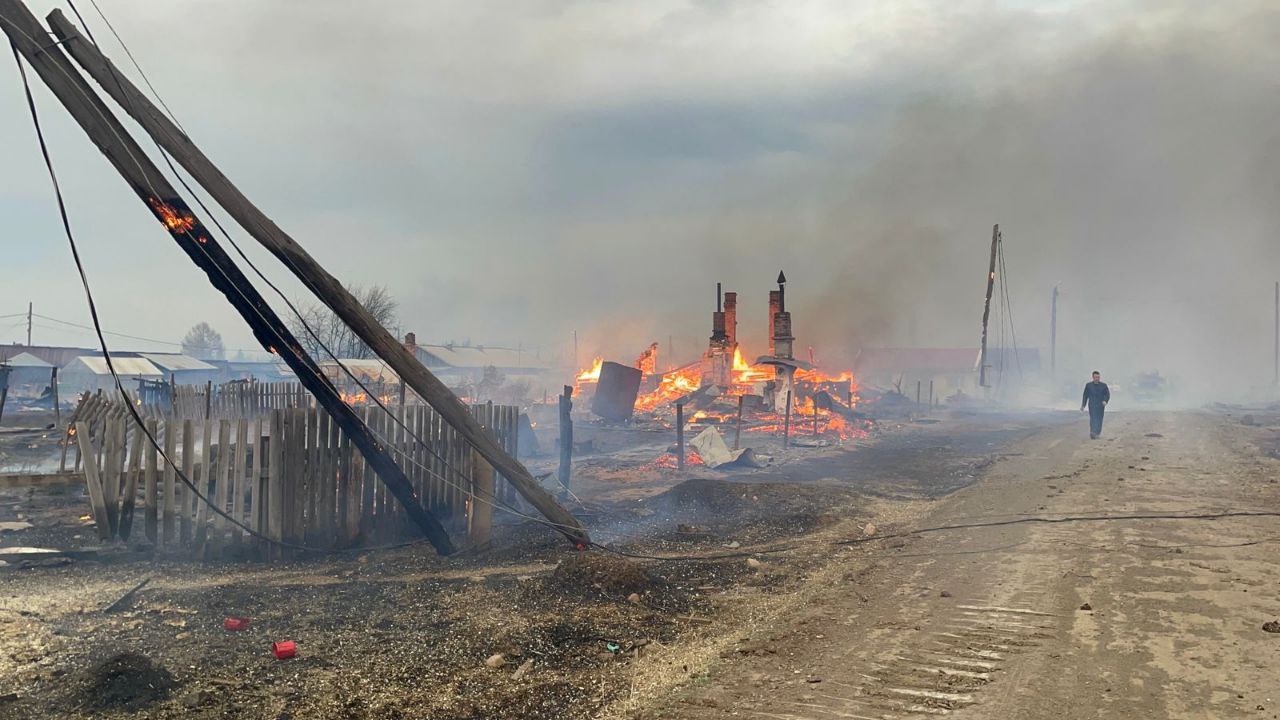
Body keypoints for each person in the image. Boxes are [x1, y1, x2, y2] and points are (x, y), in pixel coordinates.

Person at [1081, 371, 1110, 439]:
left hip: (1100, 405)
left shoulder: (1104, 385)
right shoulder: (1088, 385)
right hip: (1092, 405)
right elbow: (1085, 395)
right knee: (1093, 418)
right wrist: (1083, 405)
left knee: (1099, 419)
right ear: (1093, 377)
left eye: (1098, 377)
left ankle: (1097, 433)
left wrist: (1105, 401)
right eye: (1095, 377)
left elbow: (1107, 394)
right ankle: (1093, 432)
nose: (1097, 378)